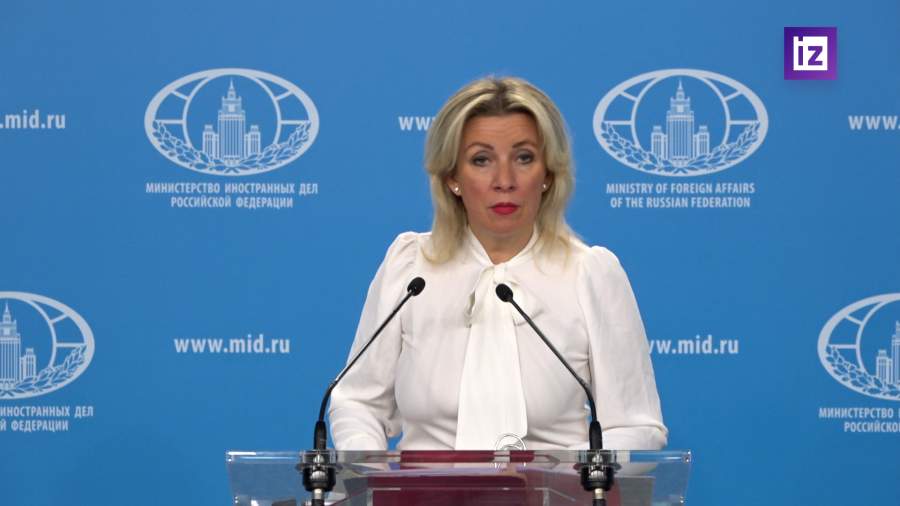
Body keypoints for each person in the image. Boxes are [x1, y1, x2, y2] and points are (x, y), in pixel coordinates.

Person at [329, 77, 667, 451]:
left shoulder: (591, 273)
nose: (504, 181)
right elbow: (358, 403)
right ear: (452, 177)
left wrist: (564, 473)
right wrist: (369, 466)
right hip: (423, 485)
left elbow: (637, 427)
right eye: (481, 160)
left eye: (524, 158)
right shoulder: (410, 267)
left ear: (548, 174)